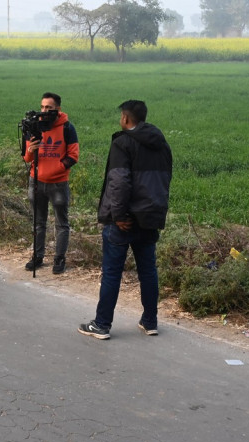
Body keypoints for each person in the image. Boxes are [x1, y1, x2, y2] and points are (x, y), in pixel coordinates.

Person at [78, 100, 172, 340]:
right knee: (148, 271)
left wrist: (118, 215)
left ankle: (102, 325)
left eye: (121, 116)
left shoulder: (123, 143)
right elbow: (164, 181)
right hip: (150, 217)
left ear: (126, 119)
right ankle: (150, 321)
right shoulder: (161, 144)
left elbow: (119, 182)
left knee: (112, 273)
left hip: (125, 220)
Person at [23, 92, 79, 274]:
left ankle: (59, 258)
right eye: (42, 107)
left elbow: (73, 156)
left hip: (58, 184)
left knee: (61, 223)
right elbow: (26, 158)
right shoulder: (34, 126)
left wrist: (54, 170)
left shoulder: (67, 128)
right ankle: (37, 256)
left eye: (49, 107)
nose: (45, 111)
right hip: (36, 181)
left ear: (58, 109)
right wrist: (31, 150)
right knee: (38, 222)